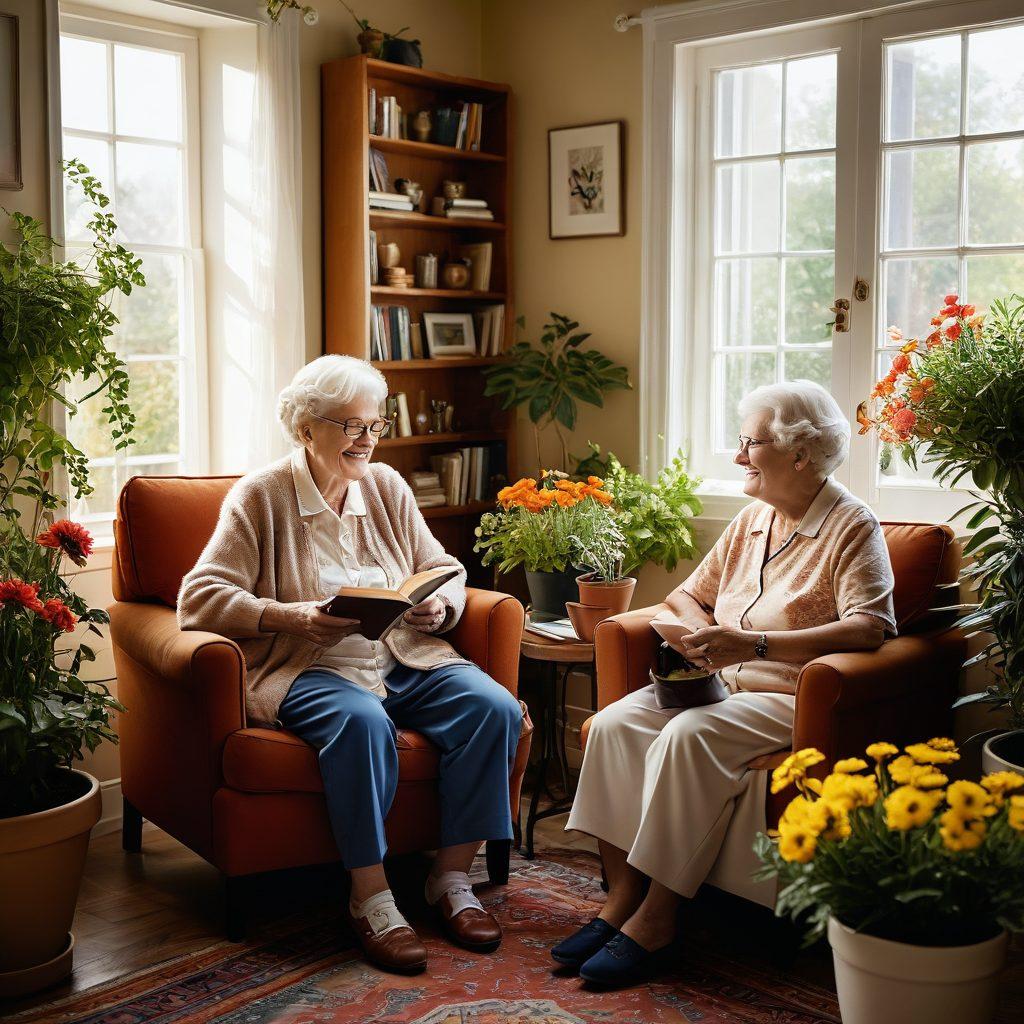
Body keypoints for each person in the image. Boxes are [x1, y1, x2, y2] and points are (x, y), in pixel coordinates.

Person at [178, 355, 523, 975]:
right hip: (309, 666)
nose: (366, 440)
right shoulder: (261, 497)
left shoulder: (387, 486)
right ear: (306, 428)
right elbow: (199, 598)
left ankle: (449, 879)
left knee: (493, 708)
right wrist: (294, 617)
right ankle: (372, 896)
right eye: (351, 426)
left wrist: (440, 605)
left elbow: (444, 567)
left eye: (375, 425)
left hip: (402, 656)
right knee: (361, 723)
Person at [553, 380, 896, 987]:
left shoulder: (853, 526)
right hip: (717, 683)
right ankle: (619, 902)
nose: (738, 456)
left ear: (800, 455)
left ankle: (657, 921)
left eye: (750, 443)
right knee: (612, 724)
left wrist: (752, 644)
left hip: (788, 692)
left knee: (688, 735)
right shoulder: (751, 520)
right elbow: (690, 594)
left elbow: (871, 629)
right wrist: (689, 630)